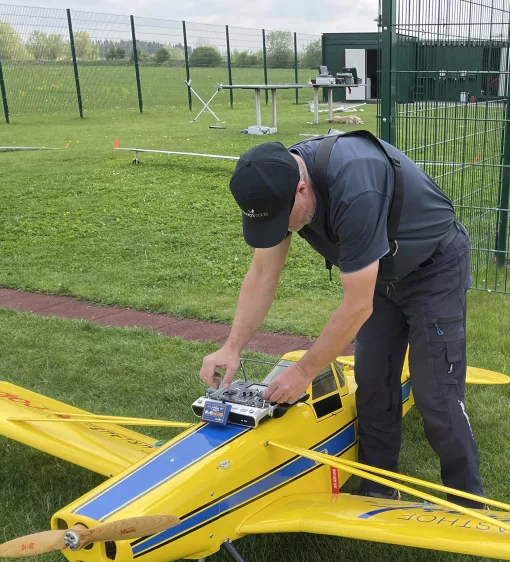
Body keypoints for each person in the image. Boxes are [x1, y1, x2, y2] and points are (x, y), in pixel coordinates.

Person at [199, 132, 485, 507]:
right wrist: (232, 346)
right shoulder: (272, 184)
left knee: (436, 393)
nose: (281, 233)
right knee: (373, 382)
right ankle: (379, 486)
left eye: (282, 222)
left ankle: (469, 500)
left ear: (301, 189)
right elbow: (262, 274)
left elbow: (356, 307)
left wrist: (303, 373)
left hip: (433, 267)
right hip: (378, 273)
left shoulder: (355, 185)